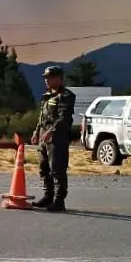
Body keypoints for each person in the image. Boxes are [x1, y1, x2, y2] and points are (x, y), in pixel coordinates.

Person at [31, 66, 76, 212]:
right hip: (44, 137)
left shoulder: (66, 96)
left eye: (49, 77)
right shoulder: (47, 96)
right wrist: (36, 131)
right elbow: (42, 116)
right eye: (45, 78)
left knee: (57, 169)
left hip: (57, 138)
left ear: (59, 79)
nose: (46, 80)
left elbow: (64, 117)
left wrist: (52, 131)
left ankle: (59, 200)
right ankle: (48, 196)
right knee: (44, 168)